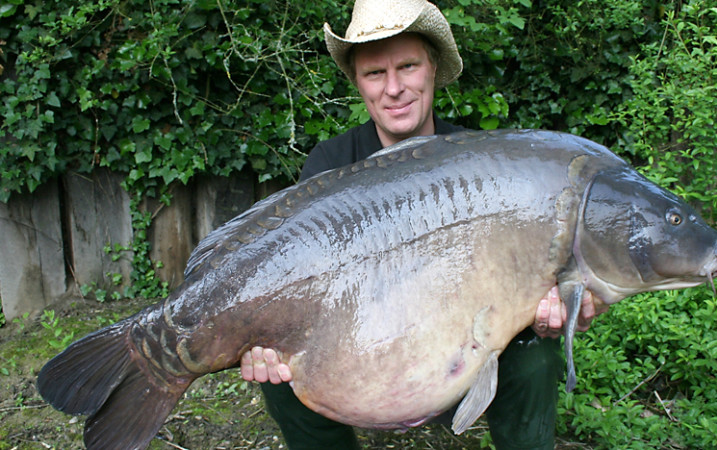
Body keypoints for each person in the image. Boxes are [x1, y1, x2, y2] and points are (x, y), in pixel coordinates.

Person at [240, 0, 606, 448]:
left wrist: (553, 310)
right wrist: (265, 335)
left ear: (433, 67)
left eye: (408, 66)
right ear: (358, 81)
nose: (394, 88)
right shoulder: (329, 165)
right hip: (365, 357)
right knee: (279, 374)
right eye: (375, 73)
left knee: (537, 356)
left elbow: (525, 281)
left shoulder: (482, 164)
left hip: (463, 354)